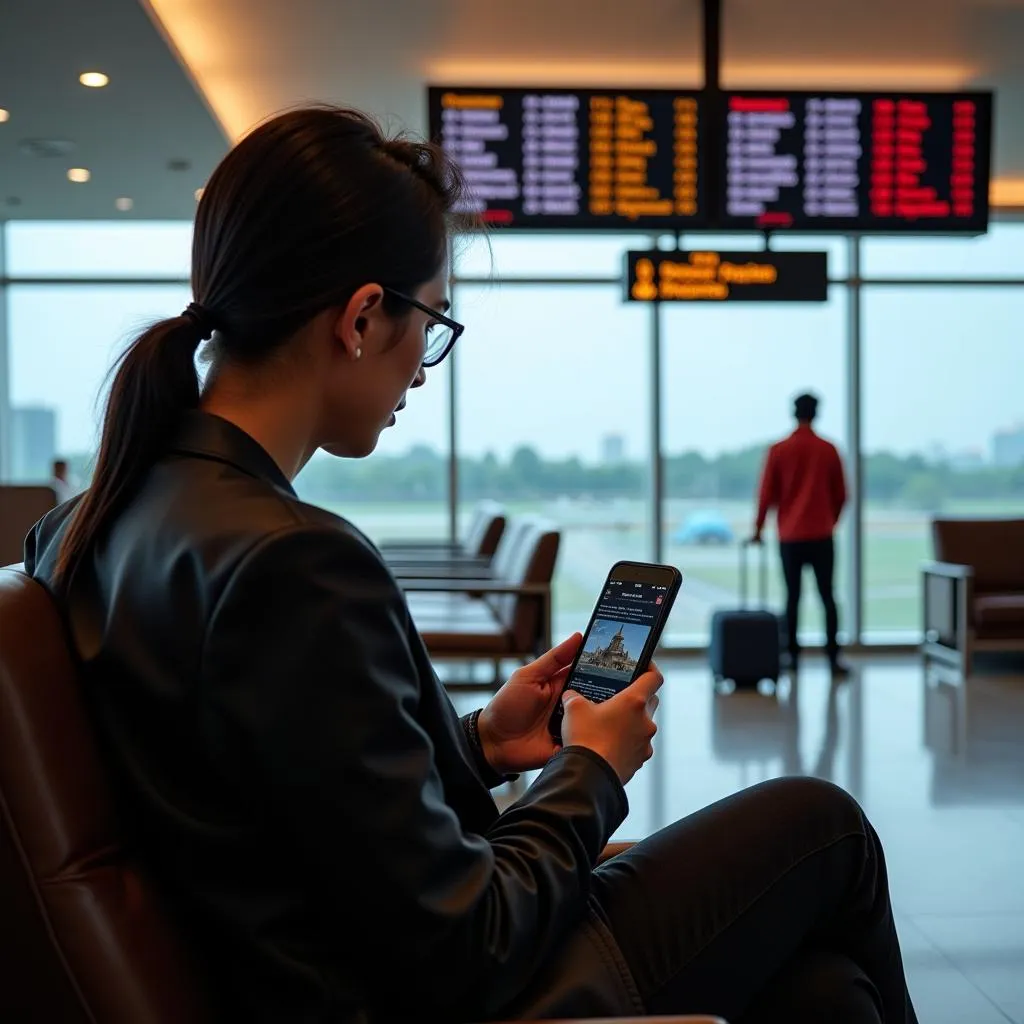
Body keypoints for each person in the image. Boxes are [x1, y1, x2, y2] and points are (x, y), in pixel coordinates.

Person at [25, 107, 916, 1024]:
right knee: (823, 824)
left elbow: (296, 807)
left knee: (826, 996)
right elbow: (467, 939)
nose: (423, 366)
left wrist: (484, 742)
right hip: (425, 997)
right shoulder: (290, 561)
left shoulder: (85, 526)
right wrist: (592, 772)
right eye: (433, 321)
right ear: (365, 317)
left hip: (299, 967)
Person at [753, 392, 848, 677]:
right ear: (816, 413)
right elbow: (842, 494)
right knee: (827, 597)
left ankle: (792, 658)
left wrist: (758, 530)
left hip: (790, 537)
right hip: (821, 535)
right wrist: (830, 521)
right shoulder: (828, 449)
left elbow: (766, 494)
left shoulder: (779, 449)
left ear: (793, 412)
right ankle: (833, 659)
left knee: (792, 597)